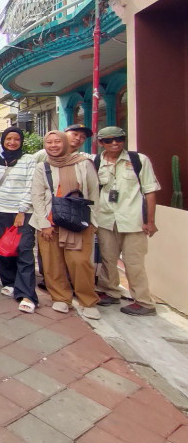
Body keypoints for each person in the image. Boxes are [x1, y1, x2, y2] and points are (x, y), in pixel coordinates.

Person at [30, 131, 101, 320]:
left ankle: (87, 301)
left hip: (78, 221)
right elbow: (37, 196)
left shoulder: (83, 164)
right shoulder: (42, 167)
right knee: (52, 262)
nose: (53, 145)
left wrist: (93, 221)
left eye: (57, 142)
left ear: (64, 143)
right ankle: (60, 297)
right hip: (50, 221)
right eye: (49, 142)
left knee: (80, 262)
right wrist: (44, 223)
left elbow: (94, 193)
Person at [94, 126, 160, 316]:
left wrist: (150, 221)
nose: (115, 143)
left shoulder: (138, 160)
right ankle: (110, 292)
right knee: (108, 259)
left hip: (133, 220)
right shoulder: (97, 162)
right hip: (106, 219)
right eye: (109, 140)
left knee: (134, 263)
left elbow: (150, 191)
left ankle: (144, 302)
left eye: (119, 139)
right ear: (101, 143)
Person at [0, 127, 38, 313]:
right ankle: (9, 282)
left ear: (21, 141)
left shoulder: (28, 160)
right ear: (3, 141)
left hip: (22, 212)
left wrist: (22, 210)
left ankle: (27, 294)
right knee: (4, 248)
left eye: (16, 139)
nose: (12, 142)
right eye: (9, 139)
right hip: (0, 210)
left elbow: (31, 185)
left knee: (24, 250)